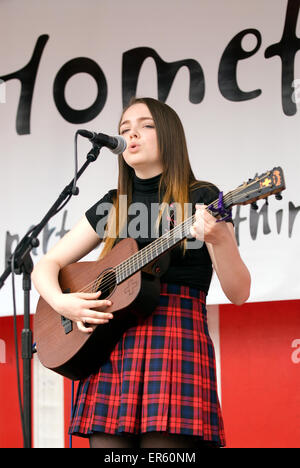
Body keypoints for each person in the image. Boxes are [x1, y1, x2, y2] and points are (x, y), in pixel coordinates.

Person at [32, 97, 251, 448]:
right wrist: (63, 303)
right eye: (124, 130)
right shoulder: (112, 203)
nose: (131, 135)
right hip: (109, 347)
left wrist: (220, 237)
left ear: (169, 134)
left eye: (145, 126)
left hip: (175, 338)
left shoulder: (202, 197)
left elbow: (239, 292)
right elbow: (46, 265)